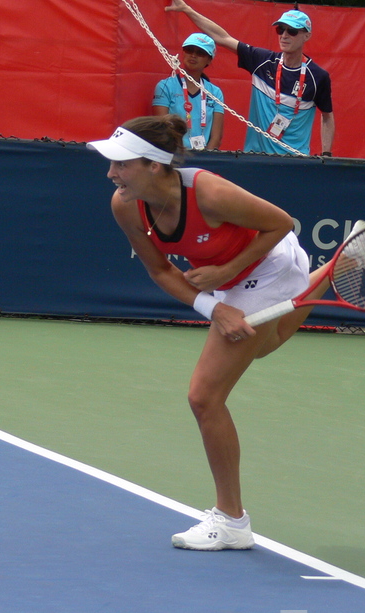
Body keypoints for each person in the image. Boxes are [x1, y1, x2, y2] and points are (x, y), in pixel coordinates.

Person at [88, 115, 332, 551]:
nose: (111, 173)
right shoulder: (124, 203)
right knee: (258, 347)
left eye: (121, 164)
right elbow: (160, 269)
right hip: (230, 281)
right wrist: (214, 307)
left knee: (204, 395)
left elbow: (282, 224)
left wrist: (227, 273)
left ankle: (232, 521)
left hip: (271, 263)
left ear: (154, 166)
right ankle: (330, 274)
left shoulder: (210, 193)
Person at [162, 0, 334, 156]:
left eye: (292, 31)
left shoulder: (317, 77)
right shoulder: (263, 62)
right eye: (280, 29)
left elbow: (327, 116)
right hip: (256, 157)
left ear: (307, 36)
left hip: (296, 161)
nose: (284, 35)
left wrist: (326, 154)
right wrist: (186, 9)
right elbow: (222, 37)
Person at [151, 33, 225, 150]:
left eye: (200, 53)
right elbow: (162, 129)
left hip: (206, 158)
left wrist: (205, 158)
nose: (193, 55)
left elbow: (216, 138)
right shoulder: (165, 86)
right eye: (189, 50)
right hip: (174, 155)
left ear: (209, 60)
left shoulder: (215, 92)